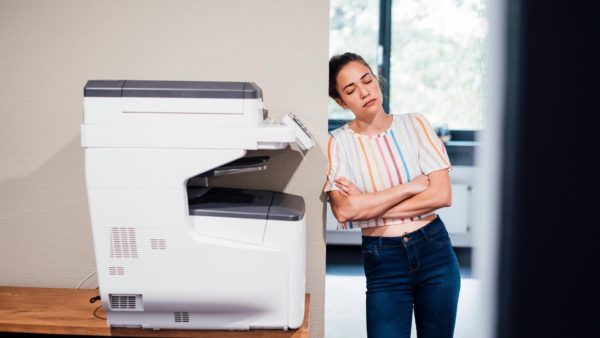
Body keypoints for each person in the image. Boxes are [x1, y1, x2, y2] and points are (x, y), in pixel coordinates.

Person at [324, 52, 461, 338]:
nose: (364, 92)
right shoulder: (338, 143)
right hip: (383, 260)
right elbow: (345, 211)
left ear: (377, 81)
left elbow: (442, 195)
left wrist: (368, 205)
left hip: (434, 249)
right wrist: (408, 187)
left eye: (367, 80)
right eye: (350, 90)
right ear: (340, 101)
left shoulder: (416, 124)